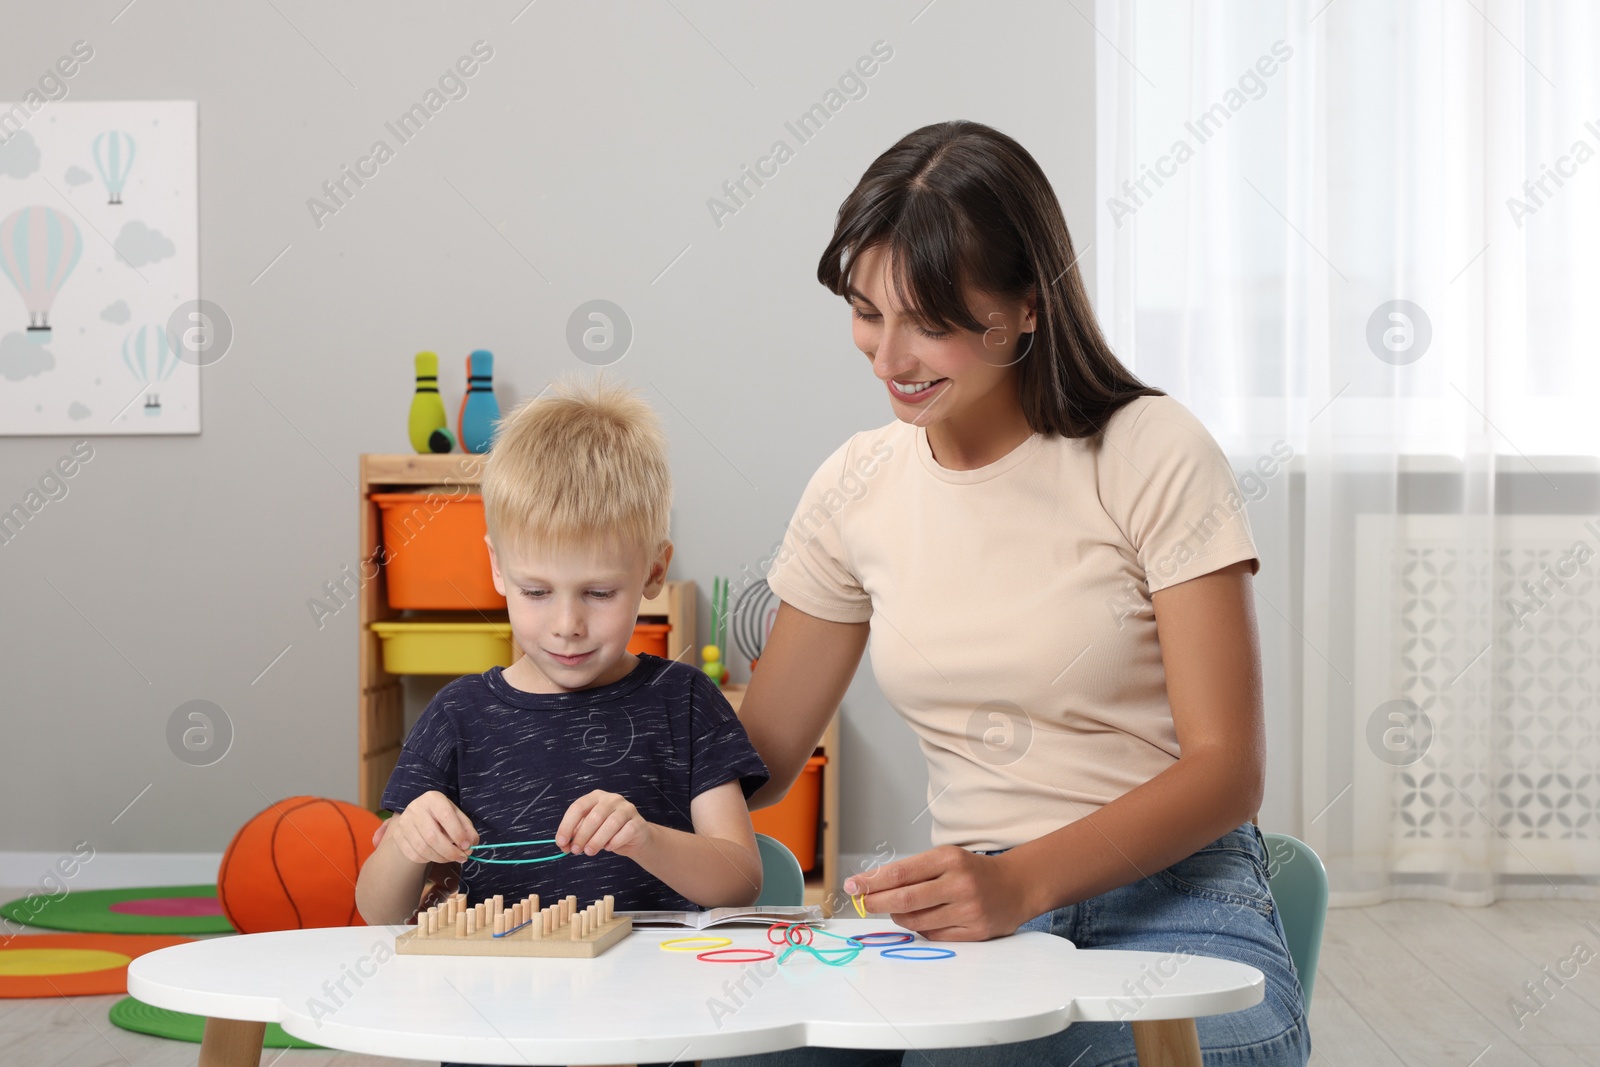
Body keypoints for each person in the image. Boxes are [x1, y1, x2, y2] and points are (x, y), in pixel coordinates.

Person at [714, 121, 1311, 1066]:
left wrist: (1022, 883)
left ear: (1026, 308)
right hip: (971, 910)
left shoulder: (1151, 451)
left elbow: (1227, 767)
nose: (888, 356)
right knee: (747, 1048)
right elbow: (762, 756)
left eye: (931, 323)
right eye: (868, 311)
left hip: (1180, 896)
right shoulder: (854, 486)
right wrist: (577, 716)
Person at [356, 377, 770, 1067]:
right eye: (537, 590)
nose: (568, 624)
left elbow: (740, 878)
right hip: (489, 1036)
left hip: (652, 1036)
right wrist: (405, 840)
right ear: (496, 566)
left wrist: (645, 839)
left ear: (654, 570)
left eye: (600, 592)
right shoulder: (457, 715)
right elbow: (376, 910)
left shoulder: (685, 702)